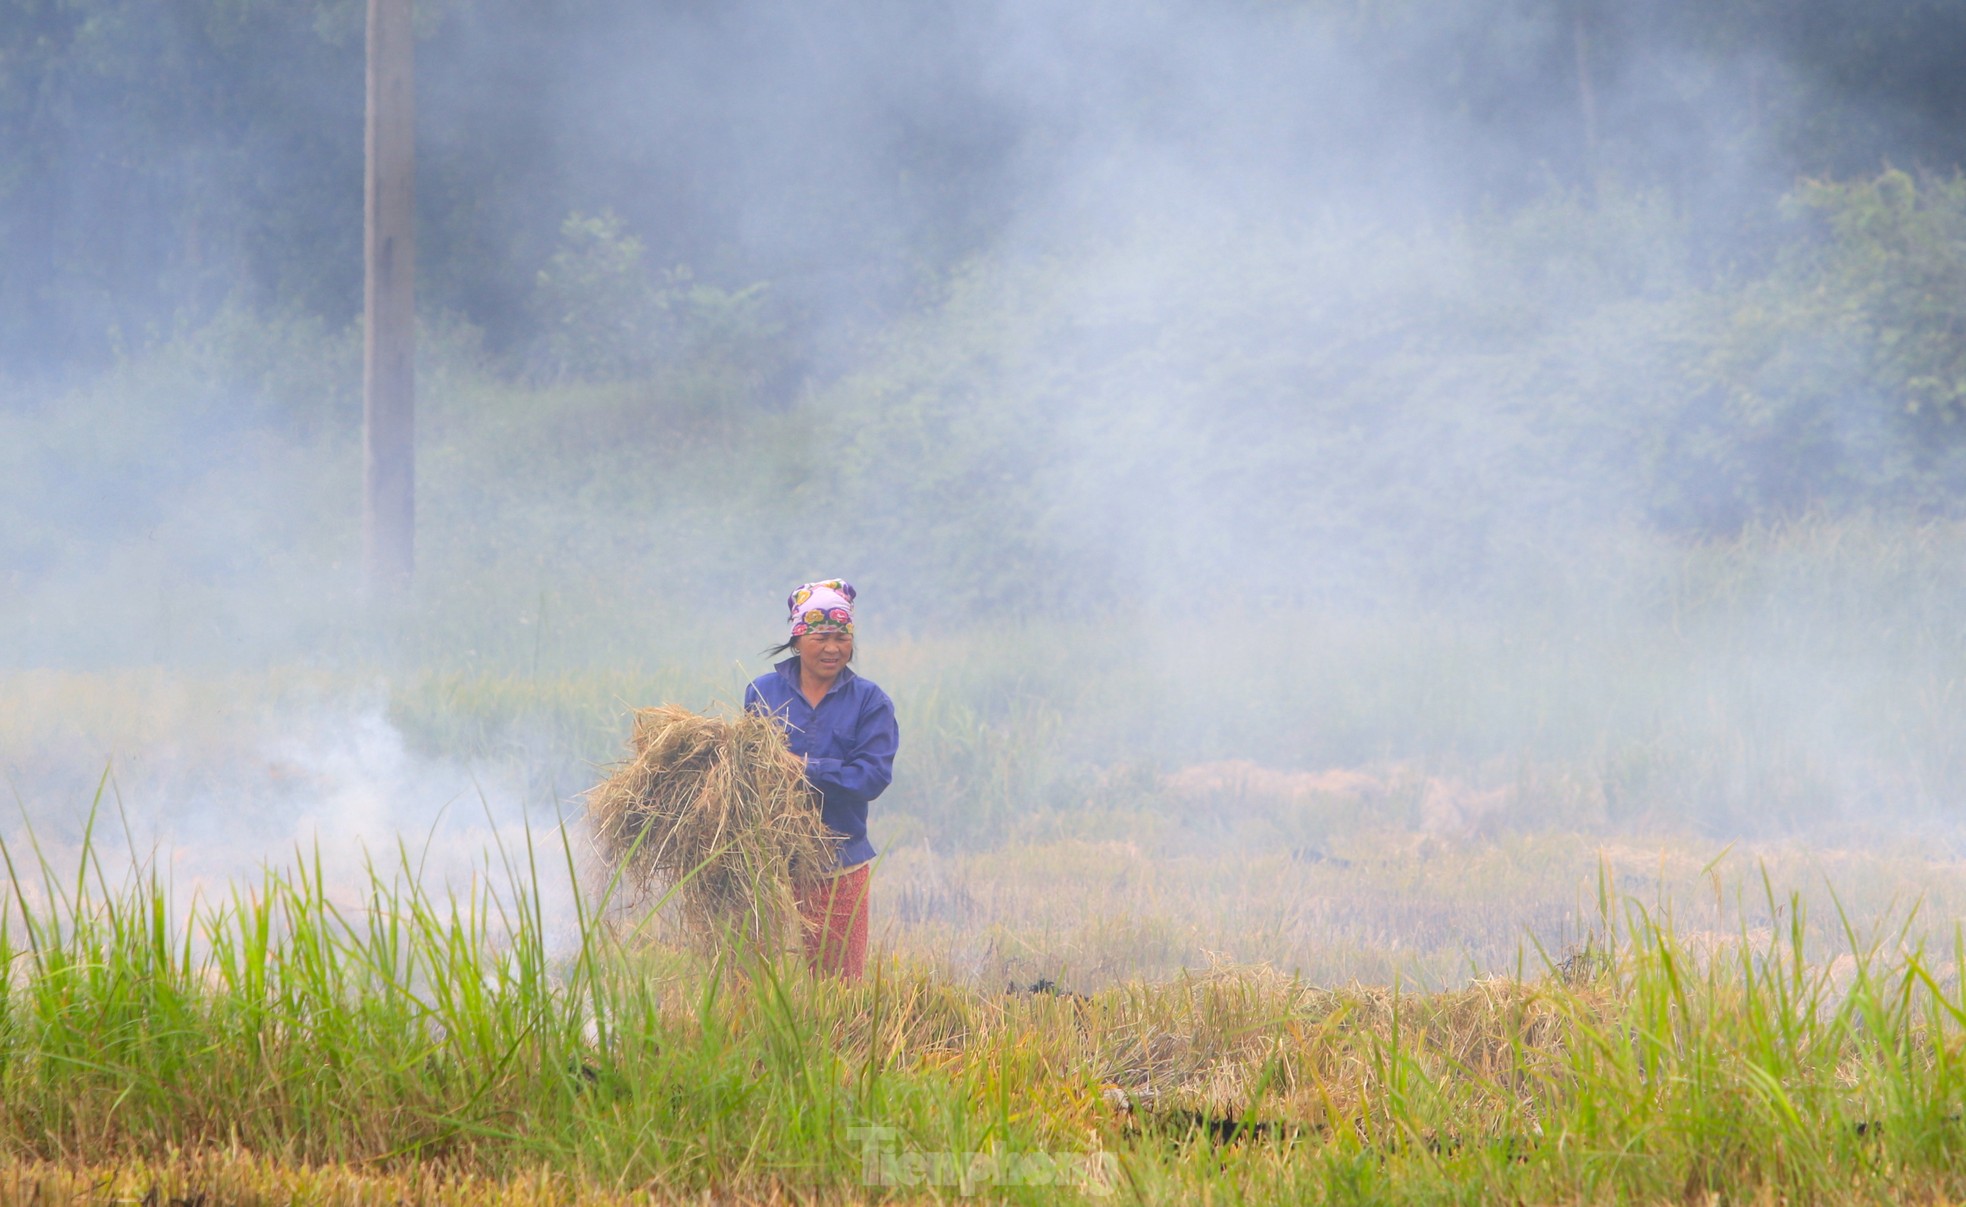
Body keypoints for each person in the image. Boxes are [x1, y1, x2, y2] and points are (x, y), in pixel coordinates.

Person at [743, 579, 898, 980]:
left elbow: (872, 777)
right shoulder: (761, 693)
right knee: (753, 983)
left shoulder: (870, 701)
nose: (833, 648)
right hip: (768, 863)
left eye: (842, 637)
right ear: (797, 639)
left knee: (837, 988)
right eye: (822, 637)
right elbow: (746, 768)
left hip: (839, 862)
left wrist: (804, 769)